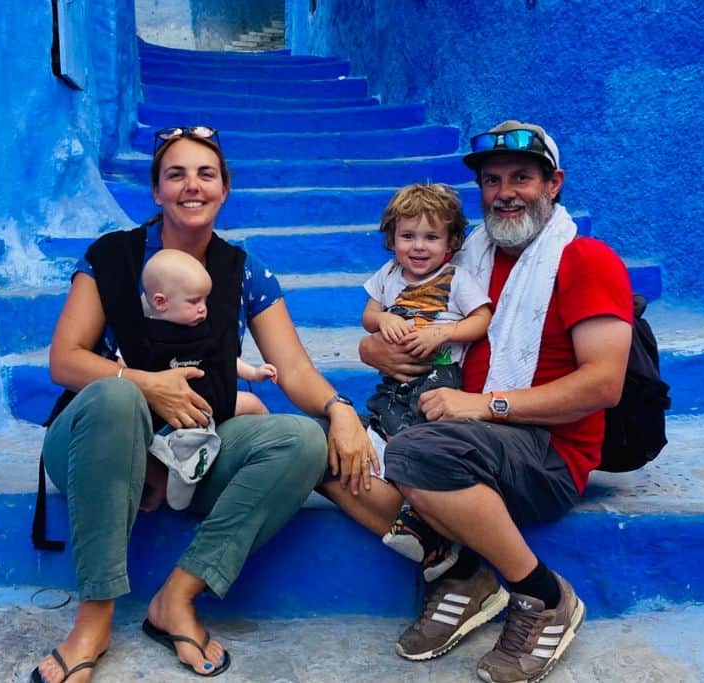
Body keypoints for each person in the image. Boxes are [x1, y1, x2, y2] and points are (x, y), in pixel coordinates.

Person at [31, 126, 372, 683]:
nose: (192, 185)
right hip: (97, 444)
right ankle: (94, 616)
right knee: (118, 397)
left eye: (206, 174)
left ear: (224, 190)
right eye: (176, 174)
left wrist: (339, 410)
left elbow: (294, 370)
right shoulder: (111, 258)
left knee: (301, 439)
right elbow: (64, 360)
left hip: (189, 452)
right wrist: (144, 382)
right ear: (157, 191)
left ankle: (177, 598)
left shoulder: (244, 272)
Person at [320, 120, 633, 683]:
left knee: (417, 452)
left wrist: (485, 405)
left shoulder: (586, 261)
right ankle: (462, 571)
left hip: (547, 453)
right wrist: (374, 350)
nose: (505, 192)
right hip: (454, 429)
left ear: (554, 183)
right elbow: (403, 317)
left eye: (522, 177)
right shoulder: (468, 259)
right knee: (326, 452)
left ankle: (543, 595)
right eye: (492, 181)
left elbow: (603, 385)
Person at [359, 183, 491, 582]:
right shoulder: (388, 275)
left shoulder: (456, 278)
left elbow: (481, 318)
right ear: (392, 239)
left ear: (450, 242)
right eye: (408, 236)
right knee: (385, 421)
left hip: (439, 372)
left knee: (418, 433)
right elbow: (369, 316)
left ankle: (420, 518)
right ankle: (411, 511)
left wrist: (442, 334)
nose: (419, 247)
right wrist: (384, 320)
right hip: (396, 377)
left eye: (431, 237)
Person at [140, 247, 278, 418]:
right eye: (194, 301)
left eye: (205, 300)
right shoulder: (142, 334)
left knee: (252, 402)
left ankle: (269, 436)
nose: (202, 309)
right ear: (160, 302)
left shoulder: (204, 330)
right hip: (163, 407)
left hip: (208, 401)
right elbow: (126, 369)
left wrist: (254, 373)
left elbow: (226, 360)